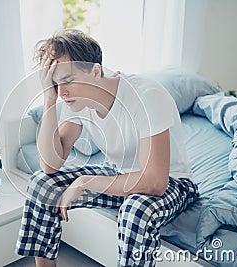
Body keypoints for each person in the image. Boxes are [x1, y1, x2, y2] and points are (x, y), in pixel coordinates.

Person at [15, 29, 199, 267]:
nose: (63, 92)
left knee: (136, 210)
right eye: (55, 83)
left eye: (68, 80)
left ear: (95, 70)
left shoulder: (145, 95)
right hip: (120, 176)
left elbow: (154, 181)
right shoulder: (73, 99)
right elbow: (49, 165)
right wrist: (49, 100)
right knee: (42, 184)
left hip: (174, 183)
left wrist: (85, 182)